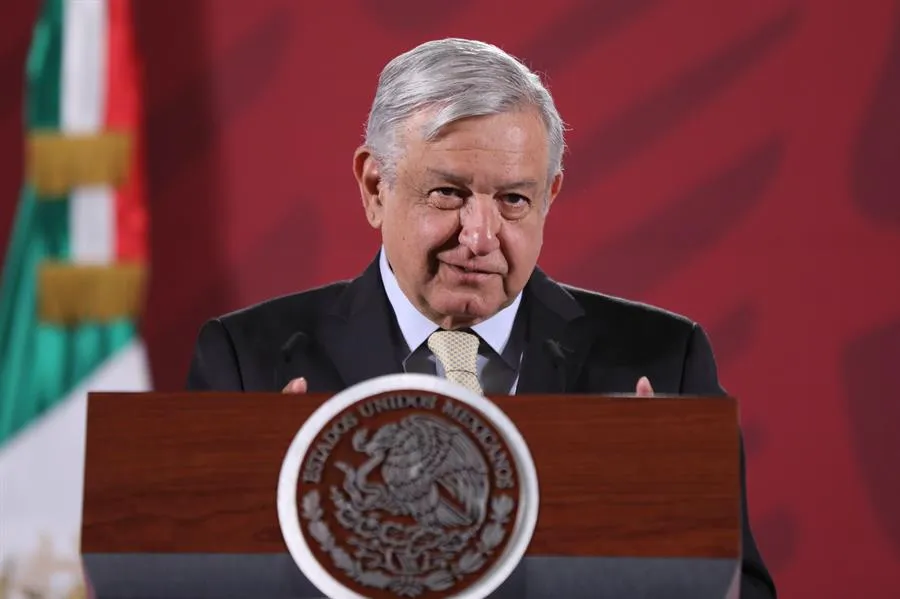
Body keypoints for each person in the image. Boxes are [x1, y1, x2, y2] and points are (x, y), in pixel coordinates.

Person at [186, 38, 776, 597]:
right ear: (374, 186)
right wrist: (262, 536)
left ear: (550, 197)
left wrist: (670, 549)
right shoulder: (246, 362)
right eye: (448, 193)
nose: (480, 236)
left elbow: (743, 592)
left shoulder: (663, 362)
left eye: (514, 200)